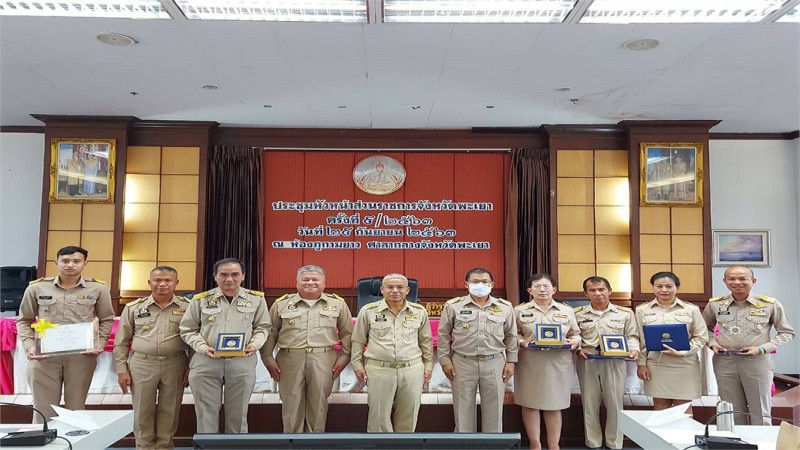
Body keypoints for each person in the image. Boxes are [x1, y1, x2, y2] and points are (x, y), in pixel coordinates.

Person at [16, 245, 115, 421]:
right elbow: (24, 320)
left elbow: (107, 319)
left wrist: (99, 345)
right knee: (43, 411)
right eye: (65, 261)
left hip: (81, 355)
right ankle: (45, 447)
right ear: (56, 262)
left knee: (76, 410)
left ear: (85, 263)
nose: (70, 265)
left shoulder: (97, 288)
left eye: (76, 261)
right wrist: (29, 346)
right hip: (44, 356)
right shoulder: (37, 288)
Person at [179, 258, 271, 433]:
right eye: (224, 274)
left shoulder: (256, 300)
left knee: (238, 415)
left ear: (243, 276)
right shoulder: (200, 300)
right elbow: (187, 329)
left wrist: (255, 344)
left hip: (241, 362)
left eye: (235, 274)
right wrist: (203, 347)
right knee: (206, 415)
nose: (229, 279)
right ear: (215, 276)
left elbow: (264, 327)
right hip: (206, 361)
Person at [260, 265, 353, 433]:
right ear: (297, 283)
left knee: (318, 404)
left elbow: (347, 333)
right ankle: (292, 441)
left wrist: (344, 357)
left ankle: (314, 441)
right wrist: (267, 358)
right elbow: (270, 332)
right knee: (291, 403)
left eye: (315, 279)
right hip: (289, 359)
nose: (310, 282)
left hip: (324, 358)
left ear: (324, 282)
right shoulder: (281, 304)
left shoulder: (337, 304)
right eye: (305, 279)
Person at [702, 266, 795, 425]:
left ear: (753, 281)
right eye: (731, 279)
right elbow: (704, 329)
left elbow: (787, 332)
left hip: (757, 362)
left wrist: (761, 349)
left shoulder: (769, 304)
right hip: (725, 362)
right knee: (730, 409)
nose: (737, 282)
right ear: (725, 281)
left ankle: (762, 445)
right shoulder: (715, 304)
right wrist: (712, 344)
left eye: (742, 278)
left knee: (759, 409)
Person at [113, 266, 190, 449]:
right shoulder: (134, 308)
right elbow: (121, 341)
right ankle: (144, 446)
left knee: (170, 410)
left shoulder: (187, 307)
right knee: (142, 411)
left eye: (167, 280)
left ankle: (165, 445)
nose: (162, 284)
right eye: (157, 280)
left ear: (176, 283)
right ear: (149, 282)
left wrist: (191, 367)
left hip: (176, 363)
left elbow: (193, 338)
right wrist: (121, 369)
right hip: (142, 364)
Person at [351, 273, 433, 432]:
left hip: (412, 370)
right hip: (379, 370)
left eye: (400, 287)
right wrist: (357, 365)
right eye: (390, 287)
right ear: (382, 289)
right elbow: (358, 340)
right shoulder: (368, 311)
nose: (395, 290)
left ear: (407, 290)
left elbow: (426, 341)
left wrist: (428, 365)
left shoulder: (419, 311)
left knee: (408, 417)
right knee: (379, 419)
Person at [437, 267, 517, 432]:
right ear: (466, 284)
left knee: (494, 411)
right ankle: (464, 445)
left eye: (484, 282)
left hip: (495, 362)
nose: (480, 284)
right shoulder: (453, 306)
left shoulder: (505, 307)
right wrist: (445, 361)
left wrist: (511, 361)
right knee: (463, 410)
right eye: (475, 282)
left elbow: (511, 336)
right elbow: (443, 334)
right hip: (462, 362)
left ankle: (493, 445)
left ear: (492, 284)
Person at [514, 274, 580, 450]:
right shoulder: (519, 311)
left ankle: (554, 445)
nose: (542, 290)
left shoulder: (566, 311)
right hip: (530, 361)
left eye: (546, 286)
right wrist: (521, 342)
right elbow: (513, 334)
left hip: (558, 363)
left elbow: (576, 333)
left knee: (554, 403)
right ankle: (534, 444)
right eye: (537, 286)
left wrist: (575, 342)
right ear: (529, 290)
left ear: (554, 290)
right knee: (530, 402)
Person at [574, 276, 640, 450]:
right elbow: (575, 335)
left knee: (615, 404)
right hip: (588, 361)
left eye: (601, 289)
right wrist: (578, 349)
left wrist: (634, 350)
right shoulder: (578, 313)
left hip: (615, 362)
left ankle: (614, 443)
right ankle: (593, 443)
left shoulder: (625, 313)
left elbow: (632, 336)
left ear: (609, 291)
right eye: (592, 290)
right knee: (589, 403)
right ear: (586, 293)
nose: (598, 293)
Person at [636, 272, 708, 411]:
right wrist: (641, 364)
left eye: (669, 286)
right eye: (659, 286)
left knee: (683, 405)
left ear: (677, 287)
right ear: (653, 287)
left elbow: (701, 336)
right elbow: (640, 339)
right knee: (660, 404)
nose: (664, 290)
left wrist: (683, 352)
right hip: (656, 364)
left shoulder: (691, 309)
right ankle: (661, 434)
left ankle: (685, 433)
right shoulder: (642, 310)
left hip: (685, 364)